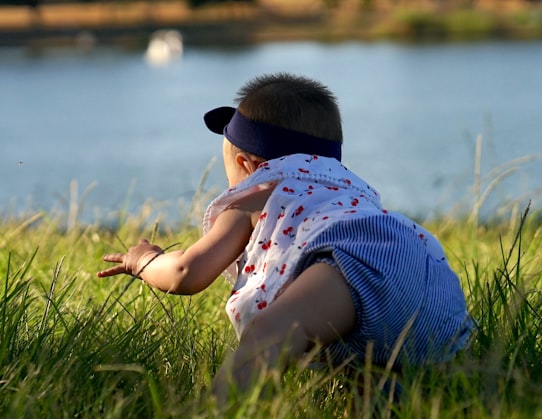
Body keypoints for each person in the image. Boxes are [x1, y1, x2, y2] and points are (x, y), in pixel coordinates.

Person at [97, 72, 471, 402]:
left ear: (248, 166)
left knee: (270, 335)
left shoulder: (258, 194)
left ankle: (214, 410)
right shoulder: (347, 189)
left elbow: (184, 272)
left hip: (351, 260)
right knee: (376, 382)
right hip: (428, 275)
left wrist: (144, 260)